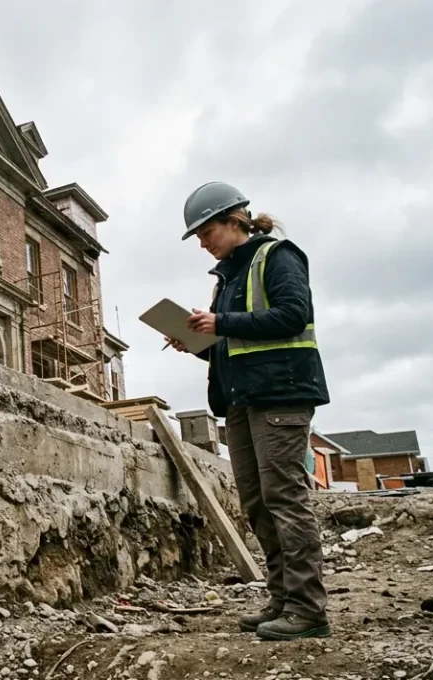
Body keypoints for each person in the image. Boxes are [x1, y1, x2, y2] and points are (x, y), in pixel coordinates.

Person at [165, 181, 332, 641]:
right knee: (258, 505)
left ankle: (307, 608)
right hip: (241, 401)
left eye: (205, 232)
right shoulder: (228, 278)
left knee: (285, 499)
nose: (202, 243)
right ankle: (282, 599)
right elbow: (235, 344)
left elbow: (292, 314)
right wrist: (197, 344)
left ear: (234, 221)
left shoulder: (277, 256)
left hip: (280, 394)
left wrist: (220, 322)